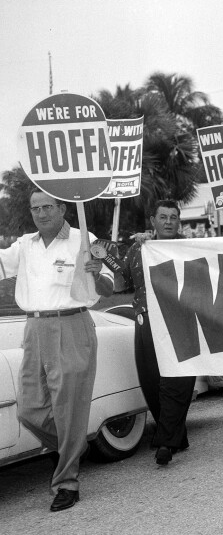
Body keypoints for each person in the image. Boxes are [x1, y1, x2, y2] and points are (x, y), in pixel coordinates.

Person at [0, 189, 114, 511]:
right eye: (35, 207)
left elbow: (108, 287)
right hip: (34, 328)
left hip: (72, 324)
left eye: (47, 206)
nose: (41, 213)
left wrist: (97, 274)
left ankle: (67, 482)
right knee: (30, 409)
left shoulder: (83, 238)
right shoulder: (25, 244)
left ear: (62, 208)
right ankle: (74, 447)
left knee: (68, 407)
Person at [119, 200, 198, 464]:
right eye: (162, 217)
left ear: (179, 221)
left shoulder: (190, 248)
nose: (168, 222)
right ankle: (177, 435)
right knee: (152, 382)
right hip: (147, 320)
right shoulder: (138, 248)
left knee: (176, 381)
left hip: (180, 321)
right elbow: (122, 281)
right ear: (152, 220)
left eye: (173, 217)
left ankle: (166, 442)